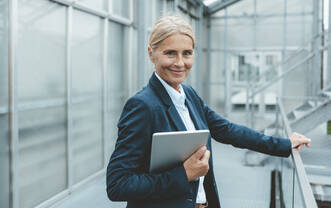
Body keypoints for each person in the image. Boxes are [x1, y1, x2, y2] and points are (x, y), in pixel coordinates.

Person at [106, 15, 311, 208]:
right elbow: (118, 184)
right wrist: (184, 174)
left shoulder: (188, 94)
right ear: (151, 53)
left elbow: (227, 130)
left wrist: (284, 144)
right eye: (170, 53)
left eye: (187, 53)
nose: (180, 63)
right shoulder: (143, 106)